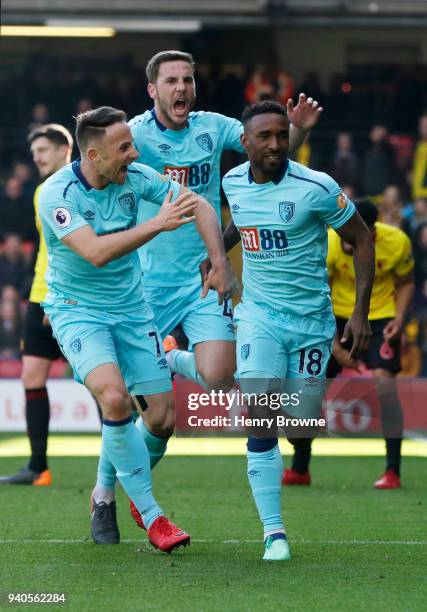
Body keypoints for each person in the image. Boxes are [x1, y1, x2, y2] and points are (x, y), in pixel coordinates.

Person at [95, 49, 324, 534]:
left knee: (221, 376)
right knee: (154, 417)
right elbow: (99, 171)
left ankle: (175, 359)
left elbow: (268, 153)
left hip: (203, 276)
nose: (181, 88)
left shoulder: (213, 127)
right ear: (152, 90)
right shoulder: (133, 136)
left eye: (188, 80)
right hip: (144, 288)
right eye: (171, 81)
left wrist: (298, 129)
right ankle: (105, 493)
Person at [36, 105, 233, 551]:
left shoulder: (136, 177)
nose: (134, 152)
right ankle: (152, 515)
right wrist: (157, 224)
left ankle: (104, 494)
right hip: (78, 310)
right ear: (92, 155)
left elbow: (198, 203)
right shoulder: (56, 194)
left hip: (132, 310)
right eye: (123, 147)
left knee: (162, 420)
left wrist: (218, 262)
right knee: (113, 395)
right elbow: (94, 252)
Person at [221, 101, 374, 560]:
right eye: (263, 137)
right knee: (261, 412)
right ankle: (274, 533)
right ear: (244, 143)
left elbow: (363, 239)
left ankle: (181, 361)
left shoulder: (317, 187)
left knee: (300, 426)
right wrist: (213, 255)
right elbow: (238, 226)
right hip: (259, 316)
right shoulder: (232, 183)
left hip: (311, 325)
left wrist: (360, 314)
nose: (273, 144)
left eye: (280, 136)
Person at [285, 199, 414, 489]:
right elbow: (316, 298)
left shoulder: (397, 242)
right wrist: (334, 346)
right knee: (311, 390)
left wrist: (401, 319)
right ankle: (300, 468)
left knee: (385, 386)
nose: (346, 239)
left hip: (379, 317)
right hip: (335, 320)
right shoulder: (328, 243)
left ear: (372, 232)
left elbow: (406, 282)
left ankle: (393, 471)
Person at [0, 125, 73, 486]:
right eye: (34, 153)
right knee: (32, 377)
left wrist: (55, 298)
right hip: (40, 297)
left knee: (101, 385)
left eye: (43, 150)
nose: (38, 157)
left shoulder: (76, 188)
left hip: (68, 300)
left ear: (65, 149)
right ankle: (37, 466)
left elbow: (73, 249)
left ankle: (122, 460)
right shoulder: (42, 191)